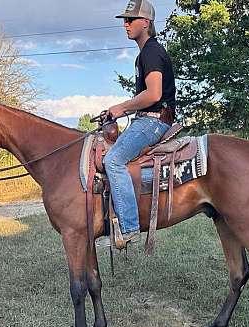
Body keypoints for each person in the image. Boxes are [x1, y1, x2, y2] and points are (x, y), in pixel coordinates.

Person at [102, 0, 176, 245]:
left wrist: (121, 107)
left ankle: (130, 227)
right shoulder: (144, 54)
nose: (125, 24)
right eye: (124, 20)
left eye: (130, 20)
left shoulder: (151, 52)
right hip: (148, 118)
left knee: (112, 160)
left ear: (145, 23)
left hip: (154, 122)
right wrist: (118, 113)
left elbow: (154, 94)